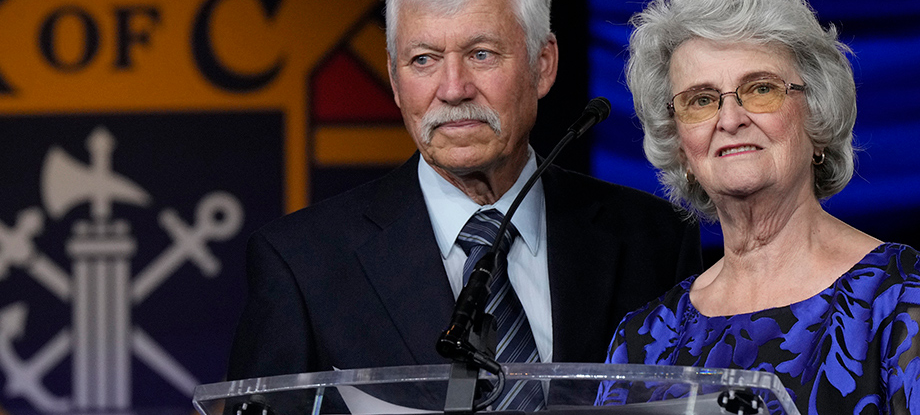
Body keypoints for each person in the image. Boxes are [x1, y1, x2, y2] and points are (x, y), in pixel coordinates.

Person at [227, 0, 702, 407]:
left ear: (544, 64)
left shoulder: (654, 238)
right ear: (394, 80)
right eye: (423, 60)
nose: (453, 89)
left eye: (481, 54)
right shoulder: (300, 264)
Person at [601, 0, 920, 413]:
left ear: (817, 118)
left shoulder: (901, 298)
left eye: (761, 89)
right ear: (680, 147)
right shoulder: (642, 340)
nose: (730, 119)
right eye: (700, 100)